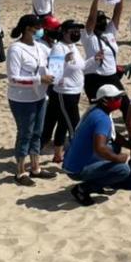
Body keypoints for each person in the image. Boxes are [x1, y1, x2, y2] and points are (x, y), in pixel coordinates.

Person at [6, 14, 56, 186]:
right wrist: (38, 80)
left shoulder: (40, 47)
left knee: (37, 133)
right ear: (28, 28)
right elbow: (13, 78)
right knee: (25, 133)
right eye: (37, 28)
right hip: (21, 98)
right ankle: (20, 172)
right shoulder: (15, 49)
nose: (40, 31)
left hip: (39, 96)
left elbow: (54, 59)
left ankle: (36, 167)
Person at [63, 85, 131, 206]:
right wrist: (119, 158)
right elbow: (99, 148)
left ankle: (96, 182)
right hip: (77, 170)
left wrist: (129, 145)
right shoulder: (102, 119)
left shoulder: (96, 111)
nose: (119, 100)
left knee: (115, 148)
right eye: (115, 98)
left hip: (71, 163)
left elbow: (113, 135)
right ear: (105, 101)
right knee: (123, 170)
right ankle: (83, 189)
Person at [42, 19, 89, 164]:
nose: (76, 33)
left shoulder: (73, 46)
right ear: (64, 33)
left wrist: (95, 60)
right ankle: (77, 157)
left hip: (75, 92)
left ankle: (57, 155)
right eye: (73, 31)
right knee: (74, 125)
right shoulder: (58, 48)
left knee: (62, 123)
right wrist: (64, 61)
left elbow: (81, 66)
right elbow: (53, 74)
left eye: (78, 31)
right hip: (64, 93)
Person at [82, 0, 128, 119]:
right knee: (97, 109)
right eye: (99, 20)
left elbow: (117, 13)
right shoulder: (88, 36)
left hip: (111, 76)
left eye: (104, 20)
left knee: (125, 105)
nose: (102, 22)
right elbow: (91, 19)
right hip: (94, 77)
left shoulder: (110, 32)